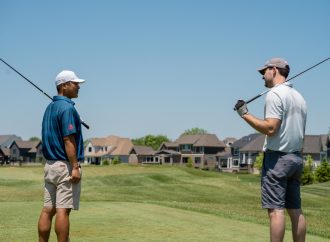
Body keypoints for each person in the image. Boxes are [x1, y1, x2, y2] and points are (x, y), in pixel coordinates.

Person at [235, 58, 307, 242]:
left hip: (278, 160)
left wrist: (245, 114)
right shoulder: (299, 97)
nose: (262, 76)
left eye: (264, 72)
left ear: (274, 70)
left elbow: (270, 128)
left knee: (276, 211)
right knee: (295, 210)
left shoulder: (275, 95)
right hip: (296, 158)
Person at [38, 70, 86, 242]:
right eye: (75, 83)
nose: (78, 86)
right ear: (64, 86)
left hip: (50, 165)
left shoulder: (50, 107)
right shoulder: (67, 108)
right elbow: (68, 140)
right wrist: (75, 167)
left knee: (47, 209)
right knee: (63, 210)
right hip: (65, 166)